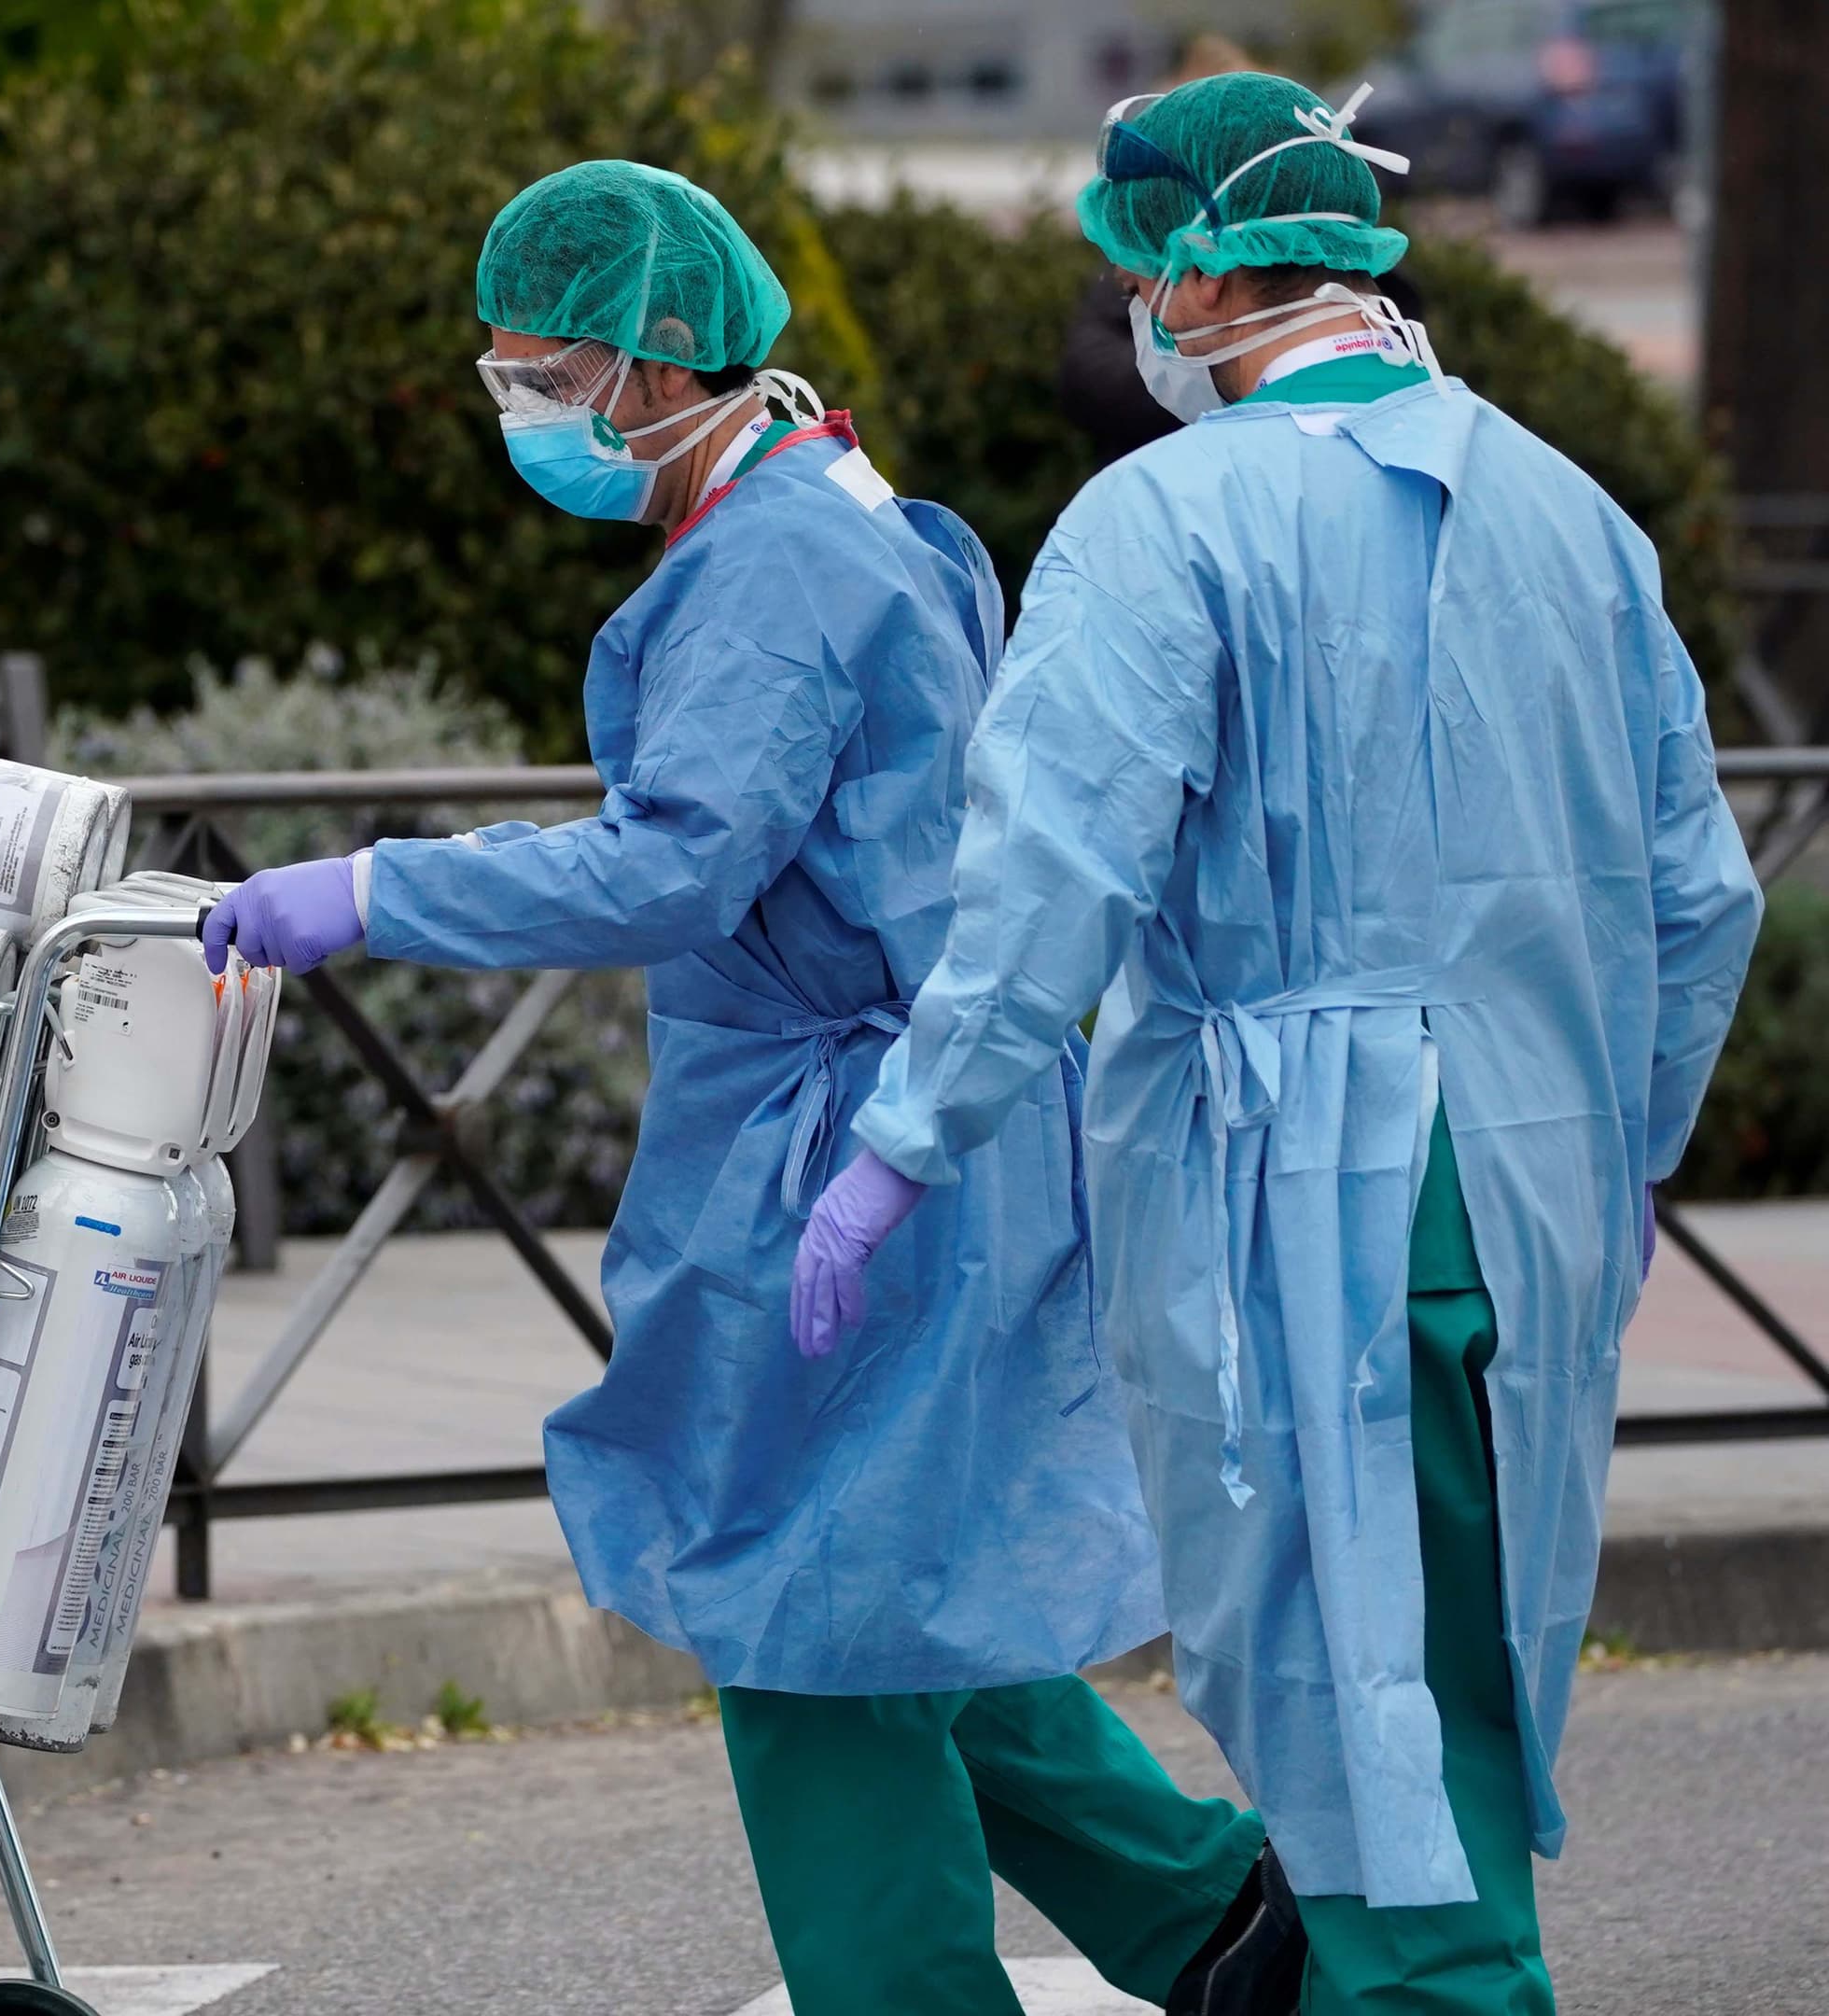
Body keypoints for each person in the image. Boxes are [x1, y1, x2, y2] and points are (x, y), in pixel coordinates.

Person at [206, 159, 1296, 2016]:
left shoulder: (774, 561)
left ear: (654, 364)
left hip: (852, 1149)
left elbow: (675, 867)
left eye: (545, 375)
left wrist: (378, 887)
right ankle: (1223, 1933)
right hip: (908, 1120)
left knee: (807, 1627)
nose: (523, 411)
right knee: (899, 1590)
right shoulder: (831, 507)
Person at [795, 72, 1763, 2016]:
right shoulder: (1569, 510)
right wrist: (1629, 1144)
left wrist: (906, 1141)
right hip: (1536, 1168)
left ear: (1203, 277)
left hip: (1303, 1188)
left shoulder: (1162, 519)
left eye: (1135, 275)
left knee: (1355, 1687)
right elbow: (1700, 891)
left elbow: (1048, 877)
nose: (1132, 317)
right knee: (1463, 1667)